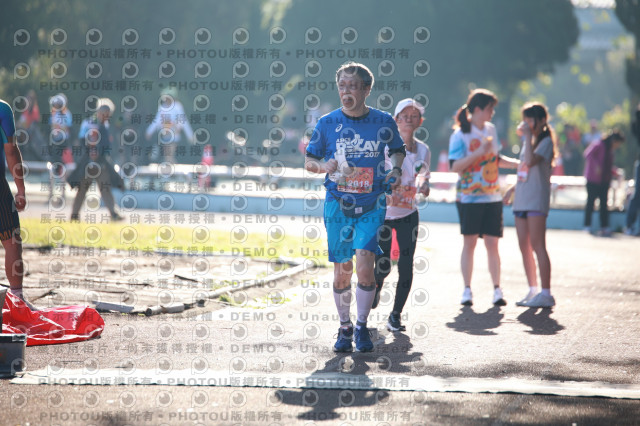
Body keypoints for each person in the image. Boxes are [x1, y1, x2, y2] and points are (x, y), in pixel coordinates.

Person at [305, 62, 405, 352]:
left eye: (352, 86)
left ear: (366, 89)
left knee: (364, 265)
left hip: (371, 203)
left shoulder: (383, 121)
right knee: (342, 271)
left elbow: (397, 150)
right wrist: (323, 166)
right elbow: (309, 161)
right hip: (338, 204)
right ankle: (344, 327)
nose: (346, 91)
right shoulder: (327, 123)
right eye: (342, 86)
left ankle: (361, 327)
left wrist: (396, 170)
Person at [448, 89, 519, 306]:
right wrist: (479, 152)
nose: (492, 113)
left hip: (492, 196)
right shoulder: (460, 134)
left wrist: (518, 164)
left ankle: (497, 289)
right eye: (489, 109)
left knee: (492, 243)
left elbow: (495, 159)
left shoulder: (491, 130)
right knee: (469, 242)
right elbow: (455, 166)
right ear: (477, 109)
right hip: (469, 197)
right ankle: (467, 290)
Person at [373, 98, 430, 332]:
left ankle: (395, 315)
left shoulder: (423, 150)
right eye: (404, 115)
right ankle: (375, 286)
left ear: (420, 122)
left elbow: (424, 175)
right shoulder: (386, 146)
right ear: (396, 119)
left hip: (409, 213)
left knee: (406, 265)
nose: (409, 119)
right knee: (384, 264)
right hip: (384, 214)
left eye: (414, 116)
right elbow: (375, 173)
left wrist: (425, 185)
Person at [503, 103, 559, 308]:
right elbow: (524, 169)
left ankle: (546, 293)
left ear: (542, 120)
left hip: (536, 199)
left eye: (530, 119)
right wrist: (512, 189)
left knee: (538, 245)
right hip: (522, 199)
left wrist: (526, 137)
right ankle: (533, 289)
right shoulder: (529, 141)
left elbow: (530, 161)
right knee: (524, 247)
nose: (526, 123)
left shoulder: (545, 141)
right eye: (524, 119)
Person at [67, 103, 123, 222]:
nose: (106, 117)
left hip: (101, 162)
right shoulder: (88, 123)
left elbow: (107, 145)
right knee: (82, 189)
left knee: (105, 187)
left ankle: (113, 213)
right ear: (98, 112)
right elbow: (82, 140)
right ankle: (74, 215)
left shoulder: (105, 125)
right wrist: (91, 152)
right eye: (104, 114)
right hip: (88, 162)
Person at [0, 100, 29, 304]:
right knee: (11, 238)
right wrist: (21, 190)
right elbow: (11, 151)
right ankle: (17, 299)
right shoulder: (2, 109)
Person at [583, 129, 625, 236]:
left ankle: (604, 226)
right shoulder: (599, 144)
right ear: (614, 140)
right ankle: (587, 225)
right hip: (593, 180)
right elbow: (588, 154)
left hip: (604, 181)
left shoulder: (610, 150)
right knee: (590, 203)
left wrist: (616, 172)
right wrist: (596, 166)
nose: (617, 146)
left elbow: (607, 166)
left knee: (603, 204)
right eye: (618, 143)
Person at [145, 88, 194, 164]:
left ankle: (174, 169)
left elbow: (183, 121)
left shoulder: (178, 106)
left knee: (169, 156)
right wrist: (149, 131)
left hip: (174, 134)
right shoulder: (162, 107)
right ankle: (171, 168)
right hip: (165, 134)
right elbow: (157, 120)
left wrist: (190, 135)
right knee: (167, 156)